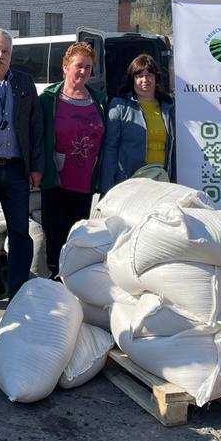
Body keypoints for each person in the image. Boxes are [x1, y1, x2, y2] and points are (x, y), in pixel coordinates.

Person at [0, 29, 44, 299]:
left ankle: (17, 285)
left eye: (6, 51)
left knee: (19, 230)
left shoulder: (24, 83)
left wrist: (36, 166)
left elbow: (36, 126)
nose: (0, 56)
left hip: (17, 169)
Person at [38, 42, 107, 278]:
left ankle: (72, 276)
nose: (83, 72)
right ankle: (55, 276)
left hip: (84, 179)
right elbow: (38, 135)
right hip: (55, 178)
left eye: (88, 67)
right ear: (65, 67)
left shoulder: (98, 100)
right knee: (54, 230)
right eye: (78, 66)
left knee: (77, 231)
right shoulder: (49, 99)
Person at [100, 54, 175, 193]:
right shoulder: (119, 106)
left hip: (161, 182)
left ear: (156, 78)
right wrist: (107, 189)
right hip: (129, 184)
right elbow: (110, 149)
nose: (145, 80)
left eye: (149, 75)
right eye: (139, 76)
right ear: (132, 79)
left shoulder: (168, 107)